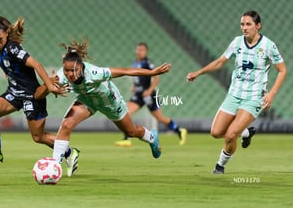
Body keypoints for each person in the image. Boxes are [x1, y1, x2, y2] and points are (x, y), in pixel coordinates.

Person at [48, 39, 171, 177]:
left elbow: (125, 71)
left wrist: (151, 73)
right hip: (87, 100)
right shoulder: (61, 75)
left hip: (110, 102)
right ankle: (55, 166)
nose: (69, 74)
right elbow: (42, 91)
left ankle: (152, 137)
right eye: (66, 70)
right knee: (66, 124)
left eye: (73, 70)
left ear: (81, 67)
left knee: (131, 131)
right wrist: (50, 86)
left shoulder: (95, 73)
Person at [186, 10, 286, 174]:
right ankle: (246, 133)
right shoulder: (237, 42)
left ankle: (220, 167)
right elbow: (220, 62)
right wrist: (199, 72)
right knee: (216, 132)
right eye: (242, 24)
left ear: (258, 26)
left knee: (231, 135)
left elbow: (282, 70)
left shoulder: (268, 46)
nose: (244, 28)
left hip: (254, 98)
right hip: (234, 94)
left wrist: (272, 93)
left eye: (248, 24)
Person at [0, 16, 79, 171]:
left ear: (7, 34)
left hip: (32, 95)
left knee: (39, 137)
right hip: (14, 93)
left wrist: (49, 86)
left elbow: (36, 64)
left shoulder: (13, 48)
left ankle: (70, 152)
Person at [115, 43, 187, 147]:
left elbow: (156, 78)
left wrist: (150, 90)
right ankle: (127, 138)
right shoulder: (135, 63)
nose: (140, 51)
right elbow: (138, 77)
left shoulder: (148, 63)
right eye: (138, 49)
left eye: (142, 50)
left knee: (160, 118)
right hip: (139, 95)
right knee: (126, 112)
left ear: (146, 51)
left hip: (149, 96)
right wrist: (135, 86)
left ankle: (180, 131)